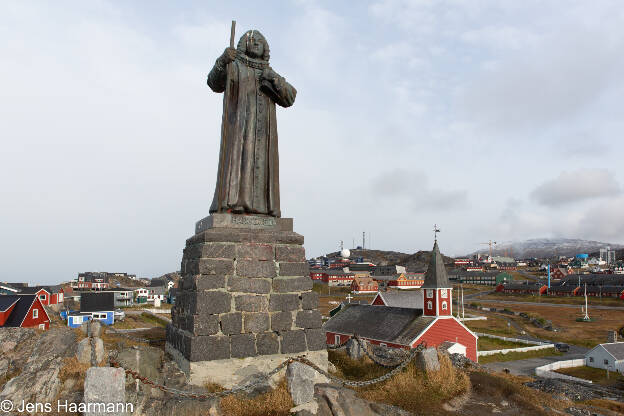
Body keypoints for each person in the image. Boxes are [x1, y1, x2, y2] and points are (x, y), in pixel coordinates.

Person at [207, 30, 296, 217]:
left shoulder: (268, 73)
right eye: (251, 40)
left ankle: (262, 208)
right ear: (243, 45)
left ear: (265, 48)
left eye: (259, 41)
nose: (255, 43)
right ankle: (233, 204)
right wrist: (222, 61)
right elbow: (214, 83)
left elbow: (289, 97)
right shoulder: (235, 67)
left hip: (263, 135)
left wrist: (272, 77)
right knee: (238, 163)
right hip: (239, 128)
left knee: (262, 168)